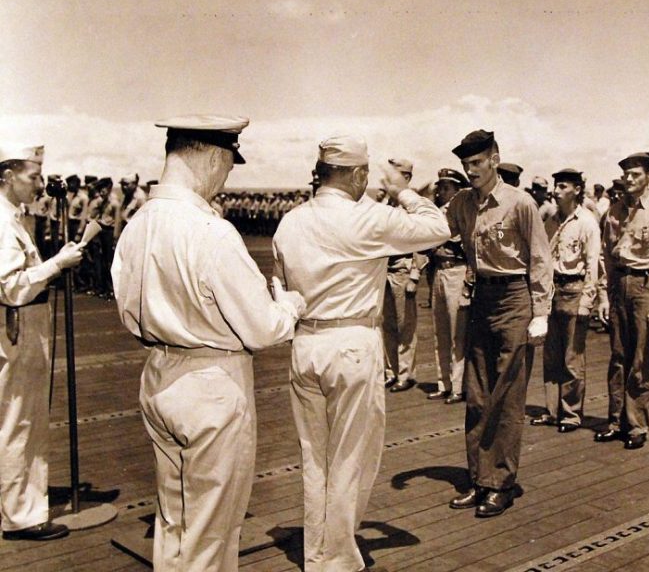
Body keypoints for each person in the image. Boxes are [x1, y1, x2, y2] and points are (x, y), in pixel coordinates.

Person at [111, 115, 305, 572]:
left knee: (174, 521)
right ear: (214, 157)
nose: (225, 177)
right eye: (228, 165)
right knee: (211, 534)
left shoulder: (137, 225)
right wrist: (289, 306)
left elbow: (124, 303)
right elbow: (262, 329)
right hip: (212, 385)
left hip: (159, 375)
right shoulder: (210, 232)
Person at [272, 135, 449, 572]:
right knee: (351, 458)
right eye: (366, 173)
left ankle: (317, 555)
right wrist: (402, 189)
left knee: (315, 458)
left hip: (305, 344)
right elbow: (437, 227)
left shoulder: (290, 222)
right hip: (352, 345)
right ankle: (338, 561)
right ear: (355, 174)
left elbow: (279, 284)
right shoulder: (367, 217)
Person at [446, 129, 552, 518]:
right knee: (476, 394)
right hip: (481, 298)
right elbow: (438, 231)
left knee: (506, 397)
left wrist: (540, 312)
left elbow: (540, 258)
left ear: (494, 159)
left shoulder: (519, 203)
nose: (470, 171)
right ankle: (479, 479)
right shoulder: (462, 202)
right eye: (465, 165)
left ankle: (501, 484)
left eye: (476, 163)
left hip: (513, 297)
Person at [0, 144, 84, 541]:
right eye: (32, 176)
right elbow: (10, 285)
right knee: (21, 422)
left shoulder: (12, 218)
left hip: (24, 327)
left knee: (15, 420)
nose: (39, 184)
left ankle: (13, 503)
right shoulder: (2, 222)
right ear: (7, 176)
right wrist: (57, 264)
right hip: (17, 328)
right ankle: (20, 516)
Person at [597, 152, 649, 449]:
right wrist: (605, 295)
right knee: (619, 355)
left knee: (642, 358)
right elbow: (606, 256)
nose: (630, 180)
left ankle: (637, 425)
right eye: (627, 175)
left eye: (636, 174)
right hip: (620, 282)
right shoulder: (613, 212)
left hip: (647, 284)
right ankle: (616, 420)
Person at [531, 169, 600, 432]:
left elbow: (594, 263)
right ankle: (551, 410)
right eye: (556, 187)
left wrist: (587, 301)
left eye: (562, 187)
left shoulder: (587, 222)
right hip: (552, 291)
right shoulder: (550, 220)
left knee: (572, 358)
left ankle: (571, 413)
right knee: (551, 356)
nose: (556, 191)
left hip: (574, 290)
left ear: (577, 190)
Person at [382, 158, 426, 393]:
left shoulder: (414, 204)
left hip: (402, 269)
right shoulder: (388, 202)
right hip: (384, 270)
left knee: (405, 326)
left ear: (407, 178)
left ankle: (406, 374)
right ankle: (390, 371)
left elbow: (421, 241)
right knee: (387, 324)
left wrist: (415, 275)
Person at [427, 168, 469, 404]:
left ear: (457, 190)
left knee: (457, 334)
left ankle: (458, 386)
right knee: (440, 331)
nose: (441, 192)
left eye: (447, 187)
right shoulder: (437, 213)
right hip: (440, 271)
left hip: (457, 270)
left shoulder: (462, 213)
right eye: (440, 187)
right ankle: (444, 382)